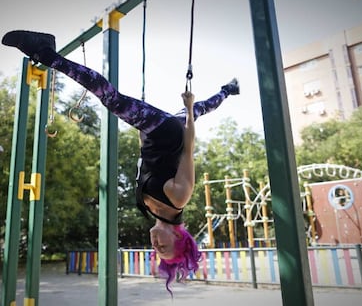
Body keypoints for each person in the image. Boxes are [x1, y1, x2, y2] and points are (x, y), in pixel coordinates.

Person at [2, 30, 240, 294]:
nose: (155, 245)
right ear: (179, 238)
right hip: (167, 131)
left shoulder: (149, 209)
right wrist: (184, 107)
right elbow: (188, 149)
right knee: (111, 98)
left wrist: (142, 131)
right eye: (163, 246)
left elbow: (146, 163)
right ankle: (45, 52)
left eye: (155, 250)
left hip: (153, 134)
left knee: (200, 108)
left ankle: (228, 90)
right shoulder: (179, 198)